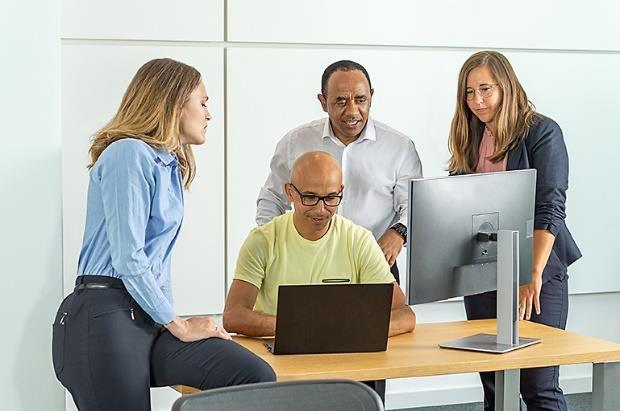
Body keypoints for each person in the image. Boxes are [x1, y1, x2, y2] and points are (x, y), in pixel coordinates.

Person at [51, 58, 275, 411]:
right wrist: (179, 324)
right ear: (175, 102)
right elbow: (128, 257)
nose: (209, 114)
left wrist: (171, 320)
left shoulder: (168, 166)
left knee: (252, 373)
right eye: (203, 102)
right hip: (104, 314)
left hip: (147, 316)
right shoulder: (128, 153)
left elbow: (156, 263)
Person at [448, 50, 581, 411]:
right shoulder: (470, 135)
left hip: (537, 270)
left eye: (485, 89)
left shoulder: (541, 132)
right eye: (469, 92)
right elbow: (458, 208)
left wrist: (530, 272)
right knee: (495, 384)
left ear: (506, 87)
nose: (477, 100)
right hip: (484, 272)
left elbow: (550, 207)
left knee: (538, 385)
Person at [256, 60, 423, 284]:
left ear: (371, 97)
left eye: (361, 100)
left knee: (392, 310)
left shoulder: (399, 147)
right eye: (341, 101)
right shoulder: (295, 142)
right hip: (306, 263)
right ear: (323, 102)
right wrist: (272, 244)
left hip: (374, 264)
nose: (352, 111)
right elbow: (272, 198)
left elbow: (415, 206)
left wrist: (399, 233)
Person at [224, 151, 416, 338]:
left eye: (330, 198)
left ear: (341, 192)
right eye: (310, 197)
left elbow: (405, 315)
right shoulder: (262, 241)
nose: (321, 209)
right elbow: (233, 316)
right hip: (278, 348)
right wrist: (295, 327)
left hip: (343, 350)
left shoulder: (359, 241)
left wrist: (354, 329)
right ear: (289, 192)